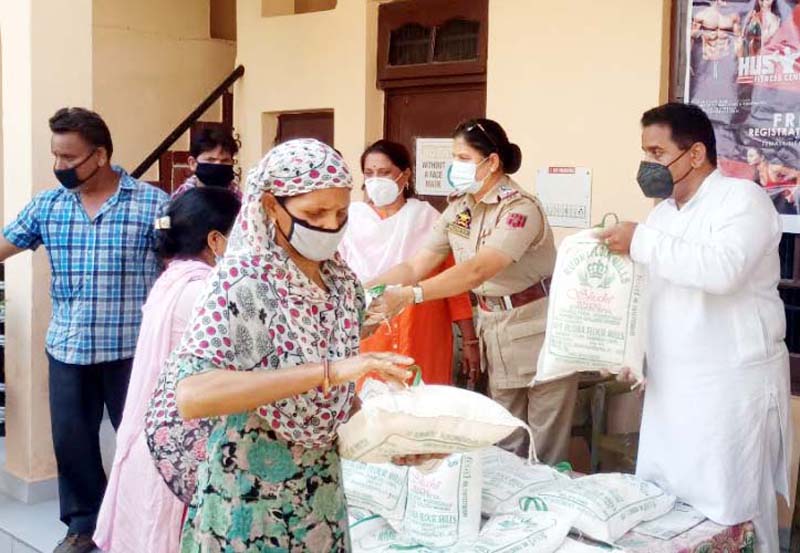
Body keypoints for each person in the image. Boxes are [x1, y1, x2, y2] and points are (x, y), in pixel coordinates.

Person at [171, 139, 429, 552]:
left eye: (341, 213)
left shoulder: (340, 284)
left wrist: (392, 443)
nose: (329, 225)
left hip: (319, 497)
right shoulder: (246, 282)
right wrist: (329, 371)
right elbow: (194, 394)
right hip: (248, 501)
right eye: (314, 213)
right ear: (272, 206)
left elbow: (335, 406)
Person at [600, 102, 791, 553]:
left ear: (696, 153)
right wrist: (635, 353)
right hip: (672, 382)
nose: (647, 164)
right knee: (668, 498)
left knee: (730, 505)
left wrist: (641, 241)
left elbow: (722, 271)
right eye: (643, 152)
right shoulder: (664, 214)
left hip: (729, 385)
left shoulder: (744, 200)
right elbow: (656, 291)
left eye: (655, 151)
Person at [0, 107, 169, 553]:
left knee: (143, 444)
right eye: (55, 156)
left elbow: (183, 266)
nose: (59, 167)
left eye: (68, 158)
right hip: (68, 350)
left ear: (100, 155)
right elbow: (5, 244)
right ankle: (84, 527)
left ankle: (143, 524)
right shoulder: (47, 205)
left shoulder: (152, 204)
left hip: (132, 352)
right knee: (72, 445)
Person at [366, 119, 579, 465]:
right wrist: (366, 289)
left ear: (491, 162)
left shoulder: (520, 209)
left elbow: (478, 269)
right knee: (504, 437)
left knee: (544, 447)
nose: (454, 166)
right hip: (496, 327)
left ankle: (545, 514)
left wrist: (411, 296)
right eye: (454, 157)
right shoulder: (460, 209)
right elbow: (415, 265)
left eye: (462, 158)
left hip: (540, 330)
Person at [93, 187, 241, 553]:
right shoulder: (205, 291)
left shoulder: (173, 279)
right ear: (217, 240)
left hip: (156, 437)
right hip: (181, 447)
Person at [339, 140, 479, 386]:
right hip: (368, 338)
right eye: (369, 173)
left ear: (405, 175)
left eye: (384, 173)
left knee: (423, 410)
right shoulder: (349, 223)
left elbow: (455, 287)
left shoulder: (429, 221)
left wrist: (469, 341)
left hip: (423, 334)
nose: (375, 180)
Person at [172, 126, 242, 199]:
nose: (218, 164)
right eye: (210, 160)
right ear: (192, 163)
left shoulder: (239, 198)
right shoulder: (181, 199)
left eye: (225, 161)